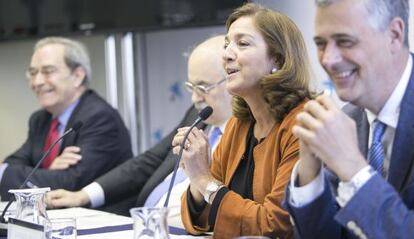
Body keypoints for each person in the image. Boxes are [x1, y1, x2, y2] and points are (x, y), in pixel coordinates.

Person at [46, 35, 233, 228]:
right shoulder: (198, 115)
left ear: (232, 79)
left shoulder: (248, 134)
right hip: (143, 223)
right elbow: (150, 161)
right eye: (191, 87)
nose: (195, 98)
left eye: (203, 87)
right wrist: (83, 196)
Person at [172, 3, 314, 238]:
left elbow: (275, 225)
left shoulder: (303, 125)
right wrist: (198, 172)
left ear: (277, 60)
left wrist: (203, 179)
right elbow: (205, 218)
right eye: (227, 44)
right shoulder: (240, 124)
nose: (226, 54)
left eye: (243, 43)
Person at [284, 0, 413, 238]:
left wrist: (353, 169)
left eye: (345, 41)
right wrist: (309, 172)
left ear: (394, 35)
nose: (328, 60)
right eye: (321, 44)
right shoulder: (345, 120)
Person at [0, 37, 133, 200]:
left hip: (103, 220)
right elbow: (12, 164)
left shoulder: (100, 118)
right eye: (33, 73)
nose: (37, 81)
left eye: (48, 71)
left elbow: (71, 184)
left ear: (77, 76)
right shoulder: (40, 119)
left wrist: (46, 173)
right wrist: (50, 170)